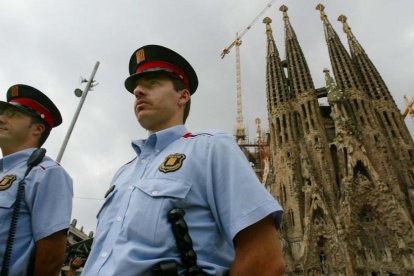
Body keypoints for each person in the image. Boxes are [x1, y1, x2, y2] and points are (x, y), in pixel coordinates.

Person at [82, 45, 285, 275]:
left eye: (152, 83)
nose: (138, 91)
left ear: (183, 96)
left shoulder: (210, 148)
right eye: (137, 88)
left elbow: (264, 259)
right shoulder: (123, 174)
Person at [0, 84, 73, 275]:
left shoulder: (46, 173)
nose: (1, 118)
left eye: (13, 115)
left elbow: (51, 258)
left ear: (37, 129)